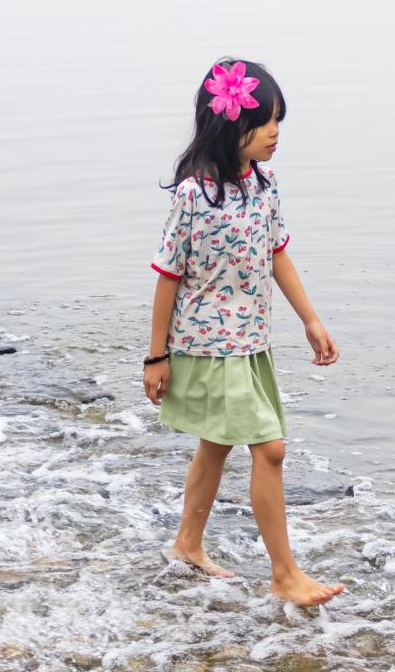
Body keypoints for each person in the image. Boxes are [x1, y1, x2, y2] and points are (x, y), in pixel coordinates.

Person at [143, 58, 345, 609]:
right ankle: (284, 573)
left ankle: (187, 544)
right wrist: (155, 356)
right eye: (265, 121)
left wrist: (310, 319)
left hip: (252, 341)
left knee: (216, 444)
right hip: (207, 345)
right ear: (228, 125)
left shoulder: (265, 184)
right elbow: (167, 278)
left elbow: (277, 254)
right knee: (270, 449)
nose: (276, 133)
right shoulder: (193, 196)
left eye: (280, 120)